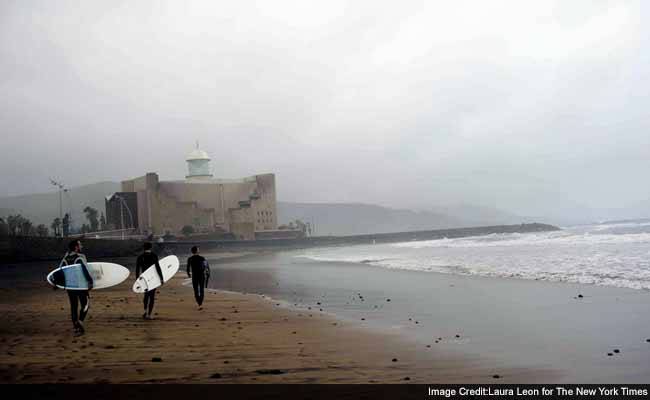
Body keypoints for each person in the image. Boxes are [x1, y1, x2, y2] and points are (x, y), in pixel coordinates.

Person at [59, 239, 93, 335]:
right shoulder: (79, 258)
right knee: (86, 304)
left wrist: (56, 284)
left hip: (70, 287)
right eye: (80, 245)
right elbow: (85, 270)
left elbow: (60, 271)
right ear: (76, 247)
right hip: (80, 286)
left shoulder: (65, 259)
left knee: (74, 306)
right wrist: (90, 281)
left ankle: (76, 327)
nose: (81, 246)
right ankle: (80, 321)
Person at [135, 242, 164, 320]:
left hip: (144, 279)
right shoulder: (154, 256)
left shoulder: (140, 257)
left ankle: (145, 310)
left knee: (146, 295)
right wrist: (161, 278)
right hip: (153, 278)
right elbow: (158, 268)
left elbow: (137, 269)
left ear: (143, 248)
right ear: (151, 247)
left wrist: (137, 280)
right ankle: (149, 314)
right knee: (152, 297)